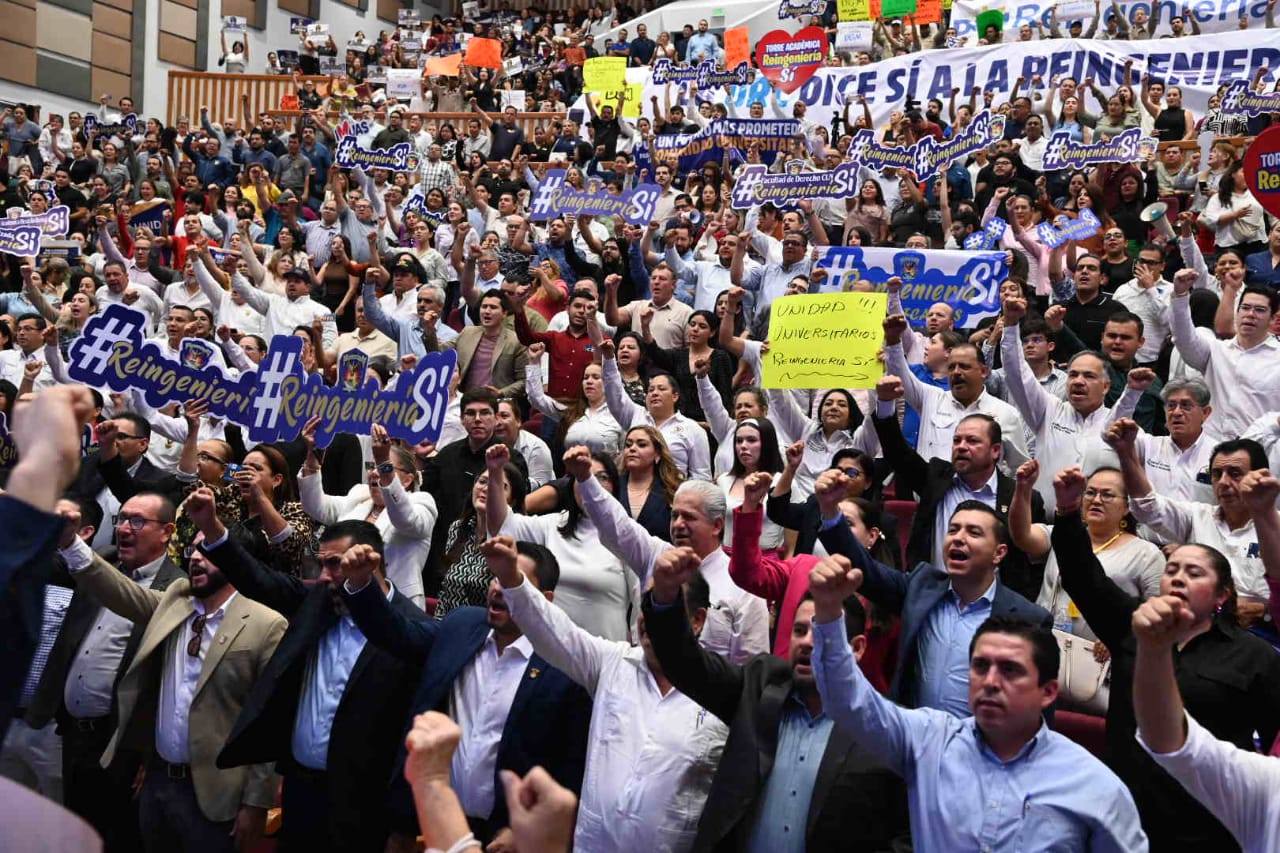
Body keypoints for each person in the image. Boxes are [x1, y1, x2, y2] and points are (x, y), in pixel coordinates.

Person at [807, 556, 1149, 850]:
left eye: (1010, 670)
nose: (991, 681)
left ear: (1047, 692)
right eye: (980, 666)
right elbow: (849, 702)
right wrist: (828, 612)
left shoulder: (1092, 785)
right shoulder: (930, 741)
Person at [1047, 466, 1280, 851]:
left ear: (1222, 594)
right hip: (1125, 811)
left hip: (1205, 825)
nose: (1178, 578)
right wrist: (1069, 511)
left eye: (1194, 572)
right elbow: (1083, 577)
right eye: (1172, 570)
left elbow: (1272, 743)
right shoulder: (1133, 624)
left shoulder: (1255, 657)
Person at [189, 499, 423, 853]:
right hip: (301, 793)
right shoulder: (318, 602)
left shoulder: (413, 632)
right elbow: (259, 580)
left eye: (335, 564)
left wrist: (403, 825)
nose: (325, 575)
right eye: (322, 563)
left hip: (364, 808)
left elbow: (412, 735)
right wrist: (211, 527)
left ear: (370, 562)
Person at [642, 544, 910, 851]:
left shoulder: (885, 729)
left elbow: (906, 836)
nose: (807, 642)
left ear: (858, 647)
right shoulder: (759, 686)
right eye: (799, 630)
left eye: (821, 631)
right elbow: (685, 663)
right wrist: (664, 598)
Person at [336, 534, 590, 852]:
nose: (498, 588)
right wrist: (362, 585)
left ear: (545, 599)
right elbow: (398, 635)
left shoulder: (566, 667)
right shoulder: (462, 626)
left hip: (505, 835)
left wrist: (521, 830)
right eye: (496, 578)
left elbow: (571, 766)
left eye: (513, 583)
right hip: (429, 820)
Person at [58, 506, 285, 852]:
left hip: (218, 796)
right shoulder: (176, 602)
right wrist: (70, 543)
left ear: (237, 558)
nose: (196, 558)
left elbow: (270, 724)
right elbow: (117, 589)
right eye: (193, 549)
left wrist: (256, 803)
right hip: (158, 784)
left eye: (208, 550)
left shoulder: (266, 624)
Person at [488, 534, 730, 852]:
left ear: (697, 620)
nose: (649, 616)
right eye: (647, 603)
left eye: (664, 605)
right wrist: (511, 579)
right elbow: (552, 628)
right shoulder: (611, 662)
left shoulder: (723, 693)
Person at [812, 463, 1052, 717]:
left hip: (982, 740)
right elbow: (866, 570)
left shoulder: (1028, 620)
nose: (958, 538)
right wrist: (830, 511)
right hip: (914, 735)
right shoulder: (921, 587)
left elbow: (1037, 714)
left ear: (999, 553)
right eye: (953, 530)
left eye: (973, 533)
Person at [26, 492, 186, 853]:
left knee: (115, 839)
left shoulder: (178, 590)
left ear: (167, 532)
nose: (125, 529)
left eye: (138, 521)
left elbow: (167, 678)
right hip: (72, 735)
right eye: (122, 519)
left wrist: (148, 751)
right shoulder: (104, 564)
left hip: (121, 745)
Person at [561, 444, 770, 663]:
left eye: (689, 517)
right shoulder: (655, 554)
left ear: (717, 525)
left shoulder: (743, 585)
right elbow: (616, 524)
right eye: (674, 516)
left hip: (706, 685)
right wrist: (585, 479)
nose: (678, 524)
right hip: (643, 678)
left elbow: (751, 666)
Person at [871, 377, 1048, 602]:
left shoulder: (1021, 497)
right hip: (932, 602)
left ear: (995, 451)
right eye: (957, 440)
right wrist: (886, 403)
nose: (961, 447)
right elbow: (897, 452)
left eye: (972, 441)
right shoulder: (935, 479)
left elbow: (1034, 566)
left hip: (996, 612)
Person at [1106, 419, 1273, 626]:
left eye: (1235, 474)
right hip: (1200, 628)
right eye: (1217, 474)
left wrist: (1264, 611)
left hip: (1262, 632)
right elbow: (1146, 505)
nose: (1223, 482)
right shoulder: (1197, 516)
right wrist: (1126, 454)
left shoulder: (1275, 527)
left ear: (1260, 476)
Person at [485, 444, 636, 642]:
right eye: (583, 477)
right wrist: (495, 472)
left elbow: (641, 602)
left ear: (615, 486)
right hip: (551, 651)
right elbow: (501, 524)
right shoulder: (553, 525)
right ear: (572, 486)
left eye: (602, 477)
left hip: (606, 653)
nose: (591, 484)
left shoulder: (627, 534)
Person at [1011, 460, 1163, 647]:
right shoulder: (1061, 535)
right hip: (1043, 644)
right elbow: (1022, 535)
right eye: (1090, 492)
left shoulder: (1146, 555)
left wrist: (1126, 637)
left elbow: (1156, 617)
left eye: (1107, 495)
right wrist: (1023, 488)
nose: (1096, 500)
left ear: (1127, 507)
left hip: (1100, 655)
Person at [999, 296, 1130, 513]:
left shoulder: (1117, 426)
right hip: (1043, 525)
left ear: (1106, 386)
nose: (1078, 381)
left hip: (1097, 527)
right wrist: (1011, 325)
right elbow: (1017, 375)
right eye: (1073, 375)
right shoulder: (1049, 410)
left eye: (1088, 376)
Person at [298, 420, 437, 609]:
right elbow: (315, 506)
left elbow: (405, 520)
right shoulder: (359, 496)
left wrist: (384, 462)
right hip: (346, 598)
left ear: (407, 480)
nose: (374, 473)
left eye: (383, 466)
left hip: (395, 604)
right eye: (373, 466)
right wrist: (312, 456)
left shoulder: (421, 502)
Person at [884, 308, 1031, 472]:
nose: (956, 372)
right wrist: (893, 342)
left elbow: (1020, 468)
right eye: (952, 367)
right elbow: (901, 376)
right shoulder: (931, 398)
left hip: (983, 489)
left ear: (984, 371)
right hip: (931, 488)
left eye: (964, 366)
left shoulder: (1005, 413)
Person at [1169, 268, 1280, 440]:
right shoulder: (1216, 350)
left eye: (1259, 310)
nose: (1250, 314)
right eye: (1245, 308)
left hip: (1259, 449)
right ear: (1237, 312)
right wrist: (1180, 296)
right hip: (1211, 447)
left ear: (1273, 318)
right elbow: (1183, 338)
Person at [600, 337, 711, 481]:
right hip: (633, 488)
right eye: (651, 390)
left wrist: (682, 494)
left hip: (675, 491)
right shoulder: (635, 414)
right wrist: (609, 359)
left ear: (675, 396)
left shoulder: (693, 429)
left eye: (661, 389)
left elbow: (701, 476)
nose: (654, 393)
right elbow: (614, 394)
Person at [525, 344, 622, 456]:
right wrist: (534, 362)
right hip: (572, 466)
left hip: (606, 467)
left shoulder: (620, 415)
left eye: (596, 377)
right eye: (586, 378)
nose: (589, 381)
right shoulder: (570, 411)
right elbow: (536, 398)